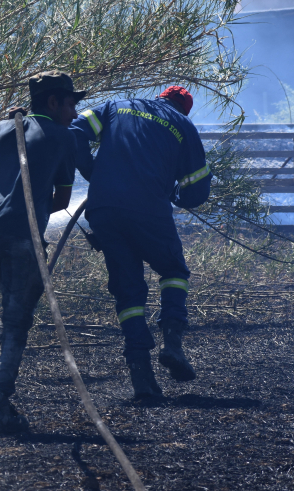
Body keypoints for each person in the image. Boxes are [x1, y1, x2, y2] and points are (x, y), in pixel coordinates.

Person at [0, 70, 83, 433]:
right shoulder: (64, 138)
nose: (75, 113)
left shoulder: (4, 128)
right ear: (53, 102)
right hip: (22, 237)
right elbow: (61, 199)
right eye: (72, 104)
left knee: (16, 310)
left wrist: (4, 125)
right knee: (18, 319)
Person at [70, 85, 211, 401]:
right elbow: (198, 189)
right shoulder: (184, 126)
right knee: (174, 269)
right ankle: (172, 344)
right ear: (183, 109)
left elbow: (75, 132)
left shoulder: (117, 105)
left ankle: (141, 375)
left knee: (127, 288)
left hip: (103, 209)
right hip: (148, 208)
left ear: (160, 97)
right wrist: (177, 195)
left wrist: (92, 171)